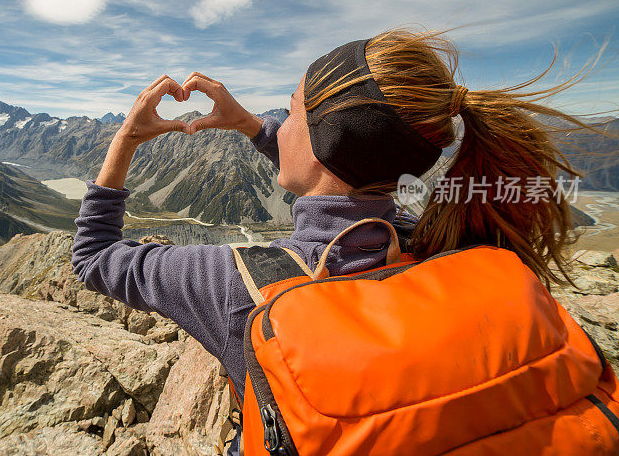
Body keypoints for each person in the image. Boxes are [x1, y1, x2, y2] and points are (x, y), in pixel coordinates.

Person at [71, 27, 614, 455]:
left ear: (326, 143)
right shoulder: (439, 239)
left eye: (292, 113)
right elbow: (342, 172)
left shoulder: (235, 287)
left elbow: (93, 256)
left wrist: (126, 141)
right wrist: (249, 125)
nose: (278, 125)